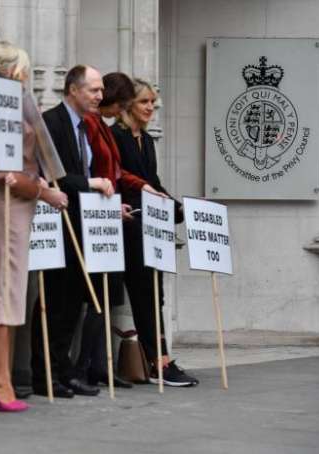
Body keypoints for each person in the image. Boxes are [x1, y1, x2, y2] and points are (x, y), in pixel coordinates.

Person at [0, 40, 68, 411]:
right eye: (24, 70)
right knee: (1, 288)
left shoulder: (9, 103)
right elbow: (0, 170)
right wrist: (44, 192)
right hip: (2, 206)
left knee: (12, 290)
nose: (26, 76)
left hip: (18, 206)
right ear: (11, 71)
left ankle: (3, 375)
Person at [77, 72, 165, 388]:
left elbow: (116, 172)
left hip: (114, 213)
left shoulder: (102, 126)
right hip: (98, 215)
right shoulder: (93, 125)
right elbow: (94, 171)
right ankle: (84, 365)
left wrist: (148, 190)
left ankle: (99, 365)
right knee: (98, 294)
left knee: (110, 294)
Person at [31, 65, 114, 398]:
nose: (99, 96)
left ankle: (63, 369)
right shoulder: (51, 122)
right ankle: (44, 372)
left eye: (101, 90)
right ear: (73, 90)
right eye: (94, 90)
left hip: (82, 225)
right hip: (58, 221)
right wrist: (91, 183)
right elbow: (56, 177)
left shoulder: (86, 128)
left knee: (72, 302)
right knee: (54, 299)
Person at [111, 78, 199, 387]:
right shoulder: (116, 136)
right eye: (144, 102)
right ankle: (156, 360)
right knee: (143, 293)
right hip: (128, 225)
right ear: (128, 106)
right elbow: (120, 179)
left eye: (153, 103)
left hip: (151, 226)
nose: (150, 107)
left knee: (153, 293)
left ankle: (159, 357)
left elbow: (153, 181)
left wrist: (179, 208)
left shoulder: (146, 140)